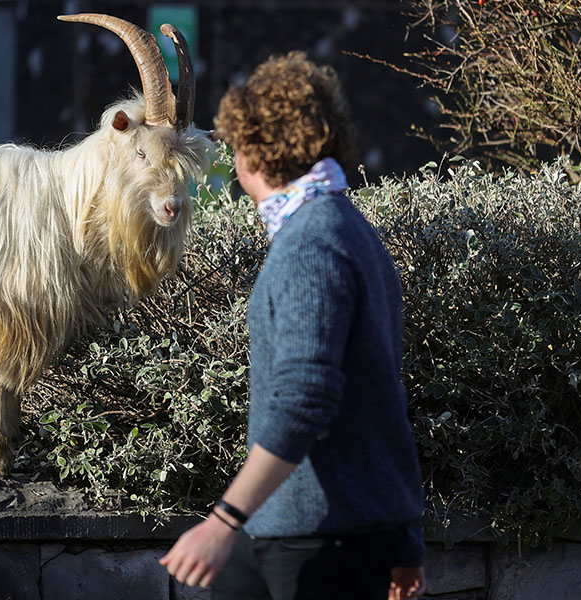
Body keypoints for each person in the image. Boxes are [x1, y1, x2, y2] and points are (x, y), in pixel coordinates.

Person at [159, 52, 427, 600]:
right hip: (302, 533)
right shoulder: (347, 229)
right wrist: (405, 540)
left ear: (256, 150)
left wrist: (222, 521)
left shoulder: (312, 244)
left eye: (234, 146)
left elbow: (306, 398)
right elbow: (380, 394)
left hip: (317, 544)